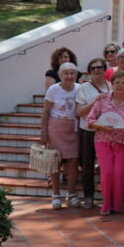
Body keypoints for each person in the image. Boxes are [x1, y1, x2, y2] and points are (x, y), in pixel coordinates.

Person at [87, 70, 124, 215]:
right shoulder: (101, 100)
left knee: (119, 174)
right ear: (111, 84)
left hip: (122, 142)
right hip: (102, 141)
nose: (119, 85)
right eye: (117, 82)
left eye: (123, 83)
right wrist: (102, 126)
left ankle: (118, 204)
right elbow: (90, 120)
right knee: (106, 173)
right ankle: (106, 204)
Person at [40, 62, 81, 209]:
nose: (69, 76)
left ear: (76, 75)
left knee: (73, 162)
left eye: (72, 73)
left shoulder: (79, 88)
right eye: (66, 73)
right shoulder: (53, 89)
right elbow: (45, 112)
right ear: (60, 75)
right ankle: (56, 195)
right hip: (56, 127)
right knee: (55, 161)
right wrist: (43, 133)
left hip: (73, 127)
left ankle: (71, 195)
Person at [75, 58, 111, 209]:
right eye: (94, 68)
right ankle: (88, 197)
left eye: (100, 67)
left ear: (104, 70)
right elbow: (79, 112)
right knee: (87, 165)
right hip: (88, 131)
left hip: (107, 132)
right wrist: (94, 102)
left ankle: (107, 197)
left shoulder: (111, 86)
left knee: (106, 166)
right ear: (90, 71)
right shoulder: (83, 88)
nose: (97, 70)